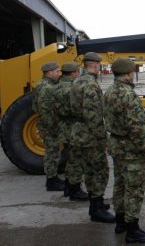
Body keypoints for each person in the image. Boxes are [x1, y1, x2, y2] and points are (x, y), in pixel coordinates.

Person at [103, 58, 145, 243]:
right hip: (131, 150)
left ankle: (121, 223)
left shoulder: (109, 91)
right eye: (132, 71)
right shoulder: (128, 94)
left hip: (117, 147)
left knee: (120, 185)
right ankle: (133, 231)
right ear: (127, 73)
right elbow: (138, 127)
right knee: (134, 189)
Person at [70, 52, 115, 223]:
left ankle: (97, 203)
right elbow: (93, 115)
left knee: (89, 170)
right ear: (95, 65)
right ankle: (96, 209)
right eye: (99, 65)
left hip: (79, 132)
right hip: (90, 136)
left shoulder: (77, 81)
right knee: (99, 171)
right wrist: (102, 138)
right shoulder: (90, 84)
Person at [53, 62, 88, 201]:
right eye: (77, 72)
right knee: (76, 161)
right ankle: (75, 190)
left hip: (63, 127)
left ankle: (68, 187)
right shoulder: (73, 88)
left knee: (70, 159)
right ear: (73, 73)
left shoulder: (56, 87)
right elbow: (79, 110)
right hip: (74, 128)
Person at [32, 61, 64, 191]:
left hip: (46, 125)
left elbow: (35, 107)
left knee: (51, 152)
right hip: (50, 127)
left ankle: (53, 177)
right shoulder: (47, 88)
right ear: (49, 72)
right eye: (57, 71)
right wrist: (53, 126)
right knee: (52, 153)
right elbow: (45, 110)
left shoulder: (40, 84)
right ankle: (51, 181)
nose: (59, 74)